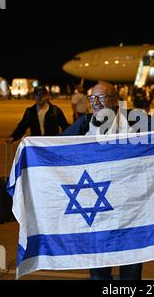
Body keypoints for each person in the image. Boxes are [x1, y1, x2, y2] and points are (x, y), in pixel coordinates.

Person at [62, 81, 147, 279]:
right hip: (99, 213)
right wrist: (33, 146)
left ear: (115, 101)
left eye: (100, 98)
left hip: (129, 211)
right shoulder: (84, 123)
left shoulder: (134, 119)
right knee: (99, 273)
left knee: (131, 272)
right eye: (92, 98)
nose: (95, 103)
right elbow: (58, 144)